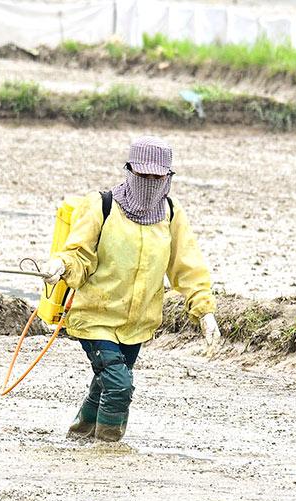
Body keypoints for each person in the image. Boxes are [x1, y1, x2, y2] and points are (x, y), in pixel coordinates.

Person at [42, 135, 220, 443]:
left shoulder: (172, 214)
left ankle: (80, 434)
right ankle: (107, 447)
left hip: (137, 323)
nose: (150, 181)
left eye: (157, 176)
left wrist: (204, 312)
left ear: (168, 178)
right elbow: (79, 254)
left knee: (106, 382)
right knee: (119, 384)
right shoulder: (101, 206)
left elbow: (187, 266)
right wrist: (61, 265)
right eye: (143, 175)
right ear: (129, 172)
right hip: (95, 317)